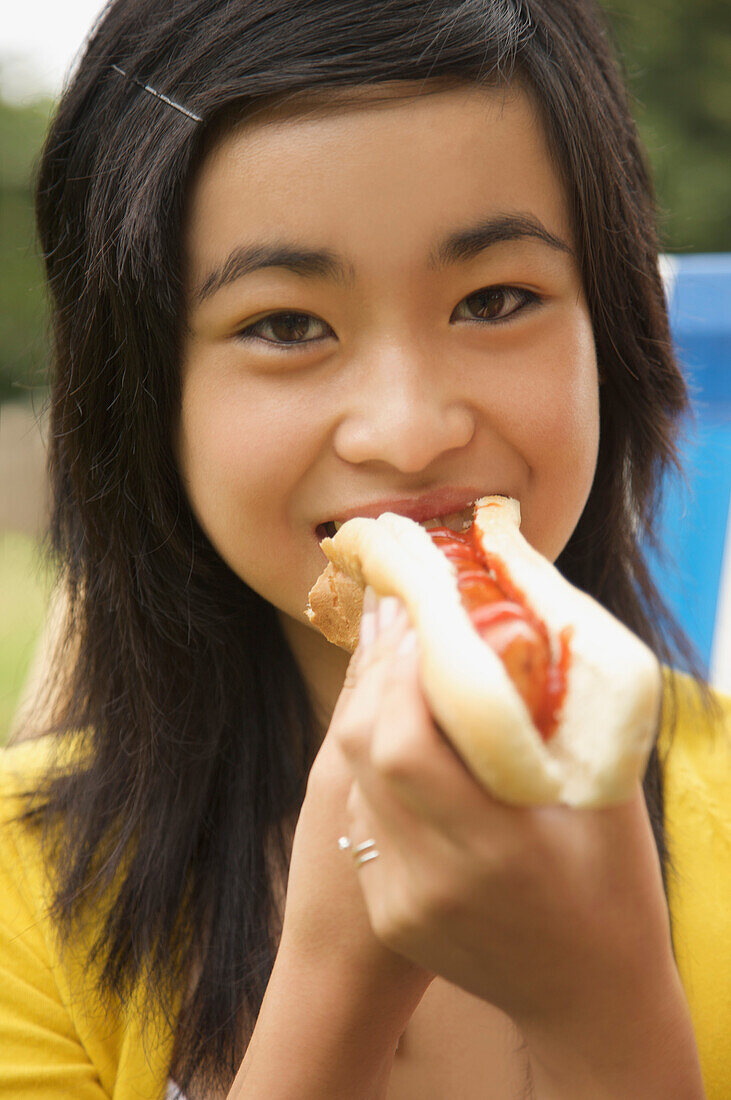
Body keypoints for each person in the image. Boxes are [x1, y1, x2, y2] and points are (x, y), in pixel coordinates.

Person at [1, 1, 729, 1097]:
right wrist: (336, 979)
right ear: (145, 397)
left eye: (494, 299)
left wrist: (606, 1004)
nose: (407, 427)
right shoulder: (19, 891)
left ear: (611, 335)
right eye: (286, 324)